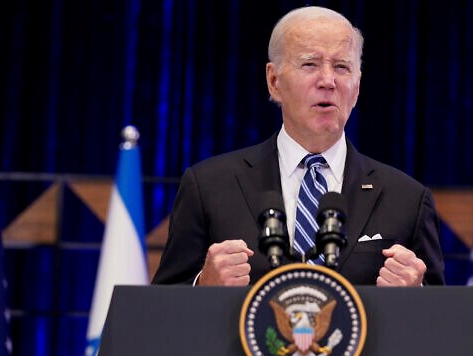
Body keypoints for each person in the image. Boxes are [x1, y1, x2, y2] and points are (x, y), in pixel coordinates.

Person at [152, 6, 445, 287]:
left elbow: (443, 323)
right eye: (310, 64)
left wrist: (413, 297)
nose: (328, 81)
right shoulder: (209, 186)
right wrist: (202, 286)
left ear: (356, 88)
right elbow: (161, 313)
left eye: (342, 67)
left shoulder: (407, 199)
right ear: (274, 81)